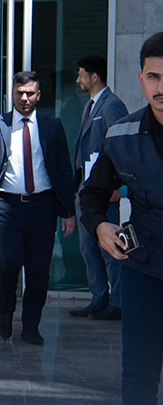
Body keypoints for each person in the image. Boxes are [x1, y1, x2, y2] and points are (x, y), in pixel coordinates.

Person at [80, 32, 163, 405]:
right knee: (139, 376)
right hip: (144, 270)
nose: (161, 87)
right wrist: (100, 226)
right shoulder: (120, 135)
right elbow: (92, 194)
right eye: (154, 77)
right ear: (140, 78)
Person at [0, 71, 75, 346]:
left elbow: (64, 170)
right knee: (8, 263)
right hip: (7, 206)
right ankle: (5, 312)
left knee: (39, 270)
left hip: (43, 206)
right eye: (20, 93)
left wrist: (68, 210)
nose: (25, 98)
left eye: (30, 93)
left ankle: (31, 326)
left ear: (38, 95)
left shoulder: (52, 126)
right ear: (12, 95)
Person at [69, 56, 128, 321]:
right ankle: (99, 298)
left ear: (95, 76)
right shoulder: (90, 105)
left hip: (105, 189)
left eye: (81, 74)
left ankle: (117, 301)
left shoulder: (112, 105)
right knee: (88, 247)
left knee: (109, 245)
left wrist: (117, 186)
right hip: (87, 187)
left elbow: (121, 146)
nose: (78, 79)